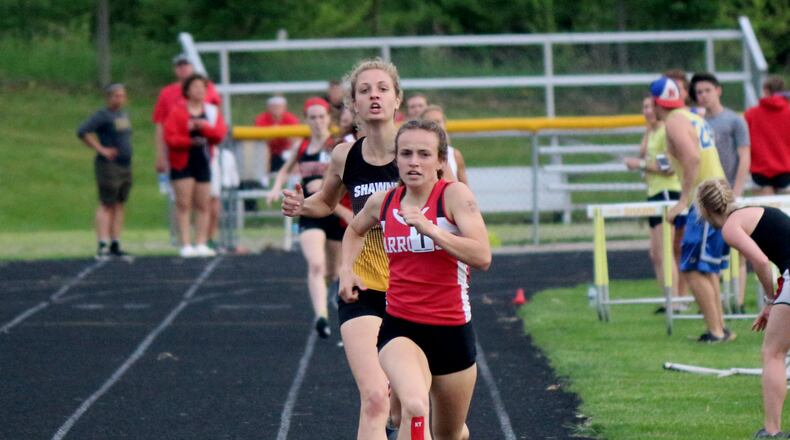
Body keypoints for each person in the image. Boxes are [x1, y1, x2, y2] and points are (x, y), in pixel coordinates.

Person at [341, 119, 491, 439]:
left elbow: (482, 256)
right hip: (401, 326)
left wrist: (430, 229)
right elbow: (354, 230)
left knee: (448, 434)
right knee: (415, 404)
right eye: (406, 153)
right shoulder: (383, 202)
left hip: (452, 330)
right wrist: (346, 270)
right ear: (396, 159)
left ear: (440, 161)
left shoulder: (454, 197)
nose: (414, 162)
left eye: (424, 154)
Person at [281, 58, 402, 439]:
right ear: (352, 104)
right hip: (361, 285)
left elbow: (453, 205)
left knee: (406, 405)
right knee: (375, 398)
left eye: (383, 88)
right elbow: (326, 201)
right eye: (364, 90)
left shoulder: (418, 151)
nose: (374, 96)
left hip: (412, 289)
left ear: (397, 98)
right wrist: (303, 205)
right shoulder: (345, 155)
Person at [695, 178, 790, 438]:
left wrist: (772, 300)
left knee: (773, 354)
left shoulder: (731, 226)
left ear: (705, 210)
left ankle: (772, 432)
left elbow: (759, 261)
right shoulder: (758, 211)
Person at [651, 76, 734, 342]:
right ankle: (719, 328)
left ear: (656, 103)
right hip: (717, 193)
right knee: (705, 268)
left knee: (692, 267)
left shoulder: (675, 122)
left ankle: (716, 331)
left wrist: (684, 200)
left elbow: (693, 157)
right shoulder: (691, 117)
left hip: (705, 198)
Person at [267, 97, 352, 338]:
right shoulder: (302, 146)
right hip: (308, 211)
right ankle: (321, 317)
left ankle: (341, 317)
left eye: (321, 116)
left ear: (329, 118)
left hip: (334, 211)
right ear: (306, 120)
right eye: (312, 117)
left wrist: (324, 183)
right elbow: (285, 169)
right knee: (316, 264)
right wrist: (276, 187)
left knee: (334, 272)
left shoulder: (337, 145)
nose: (317, 122)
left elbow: (345, 175)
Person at [691, 71, 752, 312]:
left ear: (718, 90)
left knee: (739, 247)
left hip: (729, 191)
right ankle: (712, 302)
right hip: (707, 193)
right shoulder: (698, 122)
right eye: (698, 92)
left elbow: (744, 155)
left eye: (707, 90)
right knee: (709, 250)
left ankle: (737, 300)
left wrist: (736, 190)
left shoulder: (734, 121)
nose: (703, 96)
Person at [624, 96, 687, 311]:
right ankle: (668, 297)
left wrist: (639, 164)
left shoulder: (665, 131)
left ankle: (676, 299)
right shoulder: (651, 132)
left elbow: (667, 166)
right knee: (656, 253)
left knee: (667, 250)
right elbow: (645, 154)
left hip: (667, 193)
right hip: (654, 192)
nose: (647, 110)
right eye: (644, 107)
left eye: (651, 106)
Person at [164, 74, 227, 258]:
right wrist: (188, 139)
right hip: (182, 161)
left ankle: (201, 242)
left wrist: (204, 127)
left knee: (203, 204)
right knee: (183, 204)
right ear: (187, 91)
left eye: (202, 87)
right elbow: (170, 138)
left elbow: (219, 135)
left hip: (204, 160)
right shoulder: (177, 112)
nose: (199, 90)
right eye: (195, 87)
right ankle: (185, 243)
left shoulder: (212, 112)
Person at [77, 83, 133, 260]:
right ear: (109, 97)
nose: (120, 98)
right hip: (109, 165)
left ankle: (115, 241)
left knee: (119, 203)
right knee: (106, 202)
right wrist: (101, 149)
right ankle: (102, 243)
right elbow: (82, 131)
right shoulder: (103, 115)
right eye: (116, 95)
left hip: (125, 164)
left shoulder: (123, 114)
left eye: (122, 95)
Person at [152, 54, 221, 174]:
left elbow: (216, 115)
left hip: (205, 147)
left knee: (211, 190)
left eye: (186, 64)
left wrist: (209, 128)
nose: (183, 68)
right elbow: (160, 125)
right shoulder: (167, 93)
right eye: (179, 65)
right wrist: (160, 155)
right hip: (178, 149)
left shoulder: (208, 87)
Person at [745, 76, 790, 196]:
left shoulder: (751, 114)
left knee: (765, 212)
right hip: (786, 170)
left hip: (760, 172)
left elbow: (744, 142)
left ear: (766, 91)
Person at [420, 105, 468, 185]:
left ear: (444, 124)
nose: (434, 125)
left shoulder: (454, 154)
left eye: (438, 121)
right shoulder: (415, 155)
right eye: (429, 122)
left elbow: (465, 187)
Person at [254, 95, 300, 175]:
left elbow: (296, 139)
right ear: (268, 107)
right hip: (269, 152)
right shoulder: (261, 119)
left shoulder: (290, 118)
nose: (277, 109)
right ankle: (263, 179)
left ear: (284, 107)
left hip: (285, 151)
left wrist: (279, 133)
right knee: (264, 150)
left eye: (279, 107)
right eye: (274, 106)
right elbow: (259, 140)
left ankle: (294, 179)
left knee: (296, 148)